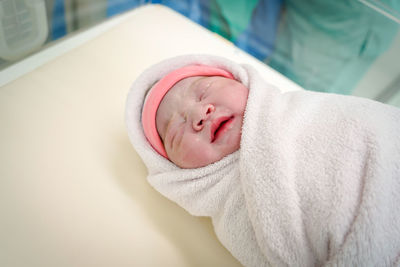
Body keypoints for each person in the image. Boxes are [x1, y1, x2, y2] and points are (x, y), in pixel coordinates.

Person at [125, 54, 400, 267]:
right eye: (175, 132)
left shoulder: (299, 109)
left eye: (204, 90)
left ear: (238, 80)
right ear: (178, 174)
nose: (200, 114)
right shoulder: (230, 207)